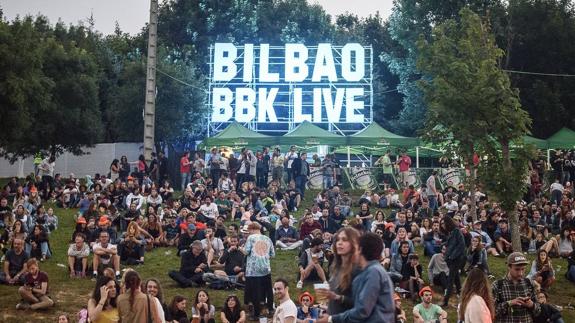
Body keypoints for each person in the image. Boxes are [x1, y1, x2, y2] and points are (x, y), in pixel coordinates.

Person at [317, 232, 395, 322]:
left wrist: (331, 319)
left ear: (360, 249)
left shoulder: (373, 272)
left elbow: (363, 310)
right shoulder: (370, 271)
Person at [492, 252, 541, 323]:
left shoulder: (529, 283)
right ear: (509, 267)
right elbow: (491, 311)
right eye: (517, 269)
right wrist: (509, 303)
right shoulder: (497, 285)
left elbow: (538, 311)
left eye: (523, 269)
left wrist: (531, 305)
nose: (520, 273)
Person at [243, 222, 275, 320]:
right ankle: (270, 309)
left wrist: (241, 249)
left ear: (252, 229)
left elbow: (246, 252)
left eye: (248, 231)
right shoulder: (267, 239)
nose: (248, 233)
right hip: (266, 269)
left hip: (253, 270)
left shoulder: (251, 238)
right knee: (268, 290)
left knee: (255, 292)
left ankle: (256, 314)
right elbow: (272, 254)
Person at [441, 215, 466, 307]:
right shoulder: (451, 232)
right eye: (442, 224)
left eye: (443, 223)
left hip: (456, 259)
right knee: (457, 280)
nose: (442, 225)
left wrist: (452, 256)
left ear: (448, 223)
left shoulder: (456, 231)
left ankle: (445, 301)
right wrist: (443, 244)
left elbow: (461, 246)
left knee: (450, 280)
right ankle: (463, 299)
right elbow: (451, 243)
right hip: (451, 259)